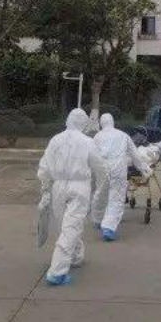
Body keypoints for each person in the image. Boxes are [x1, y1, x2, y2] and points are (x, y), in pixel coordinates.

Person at [37, 108, 105, 286]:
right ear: (83, 124)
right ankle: (57, 272)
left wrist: (45, 188)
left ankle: (75, 256)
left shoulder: (55, 140)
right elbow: (100, 167)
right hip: (79, 187)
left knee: (65, 226)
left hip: (58, 186)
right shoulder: (87, 142)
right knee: (71, 226)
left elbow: (44, 167)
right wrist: (100, 188)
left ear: (68, 120)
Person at [91, 113, 151, 241]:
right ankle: (108, 228)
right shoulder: (123, 135)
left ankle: (98, 220)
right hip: (118, 170)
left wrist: (91, 174)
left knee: (100, 194)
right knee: (116, 198)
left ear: (101, 123)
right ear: (112, 122)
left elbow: (92, 156)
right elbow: (135, 155)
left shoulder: (97, 137)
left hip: (102, 169)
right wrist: (145, 169)